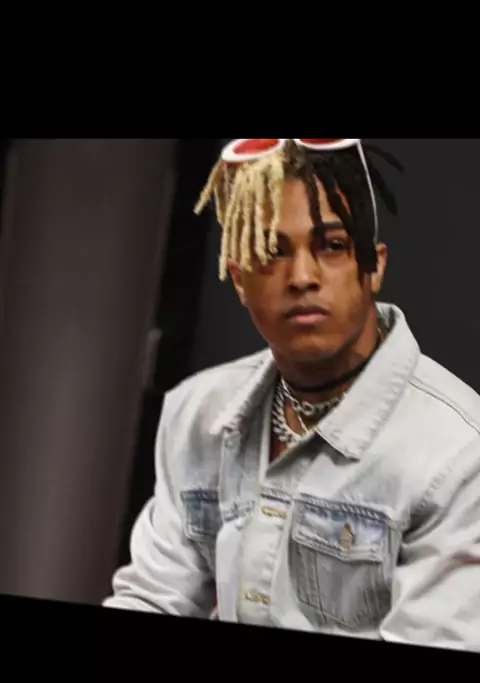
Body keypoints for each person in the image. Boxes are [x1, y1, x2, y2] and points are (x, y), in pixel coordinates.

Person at [104, 138, 480, 651]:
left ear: (374, 267)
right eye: (272, 251)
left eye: (332, 245)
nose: (302, 277)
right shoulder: (197, 412)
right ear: (239, 280)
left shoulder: (458, 452)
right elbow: (152, 596)